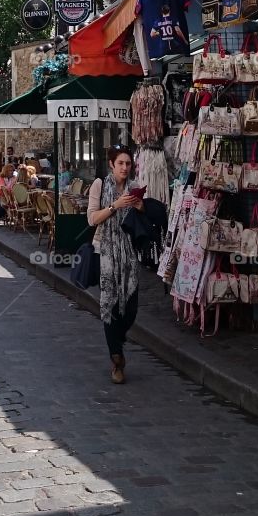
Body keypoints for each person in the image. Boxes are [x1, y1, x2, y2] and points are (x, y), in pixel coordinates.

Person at [87, 146, 143, 384]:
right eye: (120, 163)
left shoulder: (135, 186)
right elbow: (91, 219)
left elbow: (144, 222)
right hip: (106, 252)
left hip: (130, 254)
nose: (124, 168)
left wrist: (141, 208)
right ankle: (116, 359)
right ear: (112, 164)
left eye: (128, 164)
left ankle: (117, 341)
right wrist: (115, 206)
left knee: (130, 308)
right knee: (110, 304)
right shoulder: (100, 185)